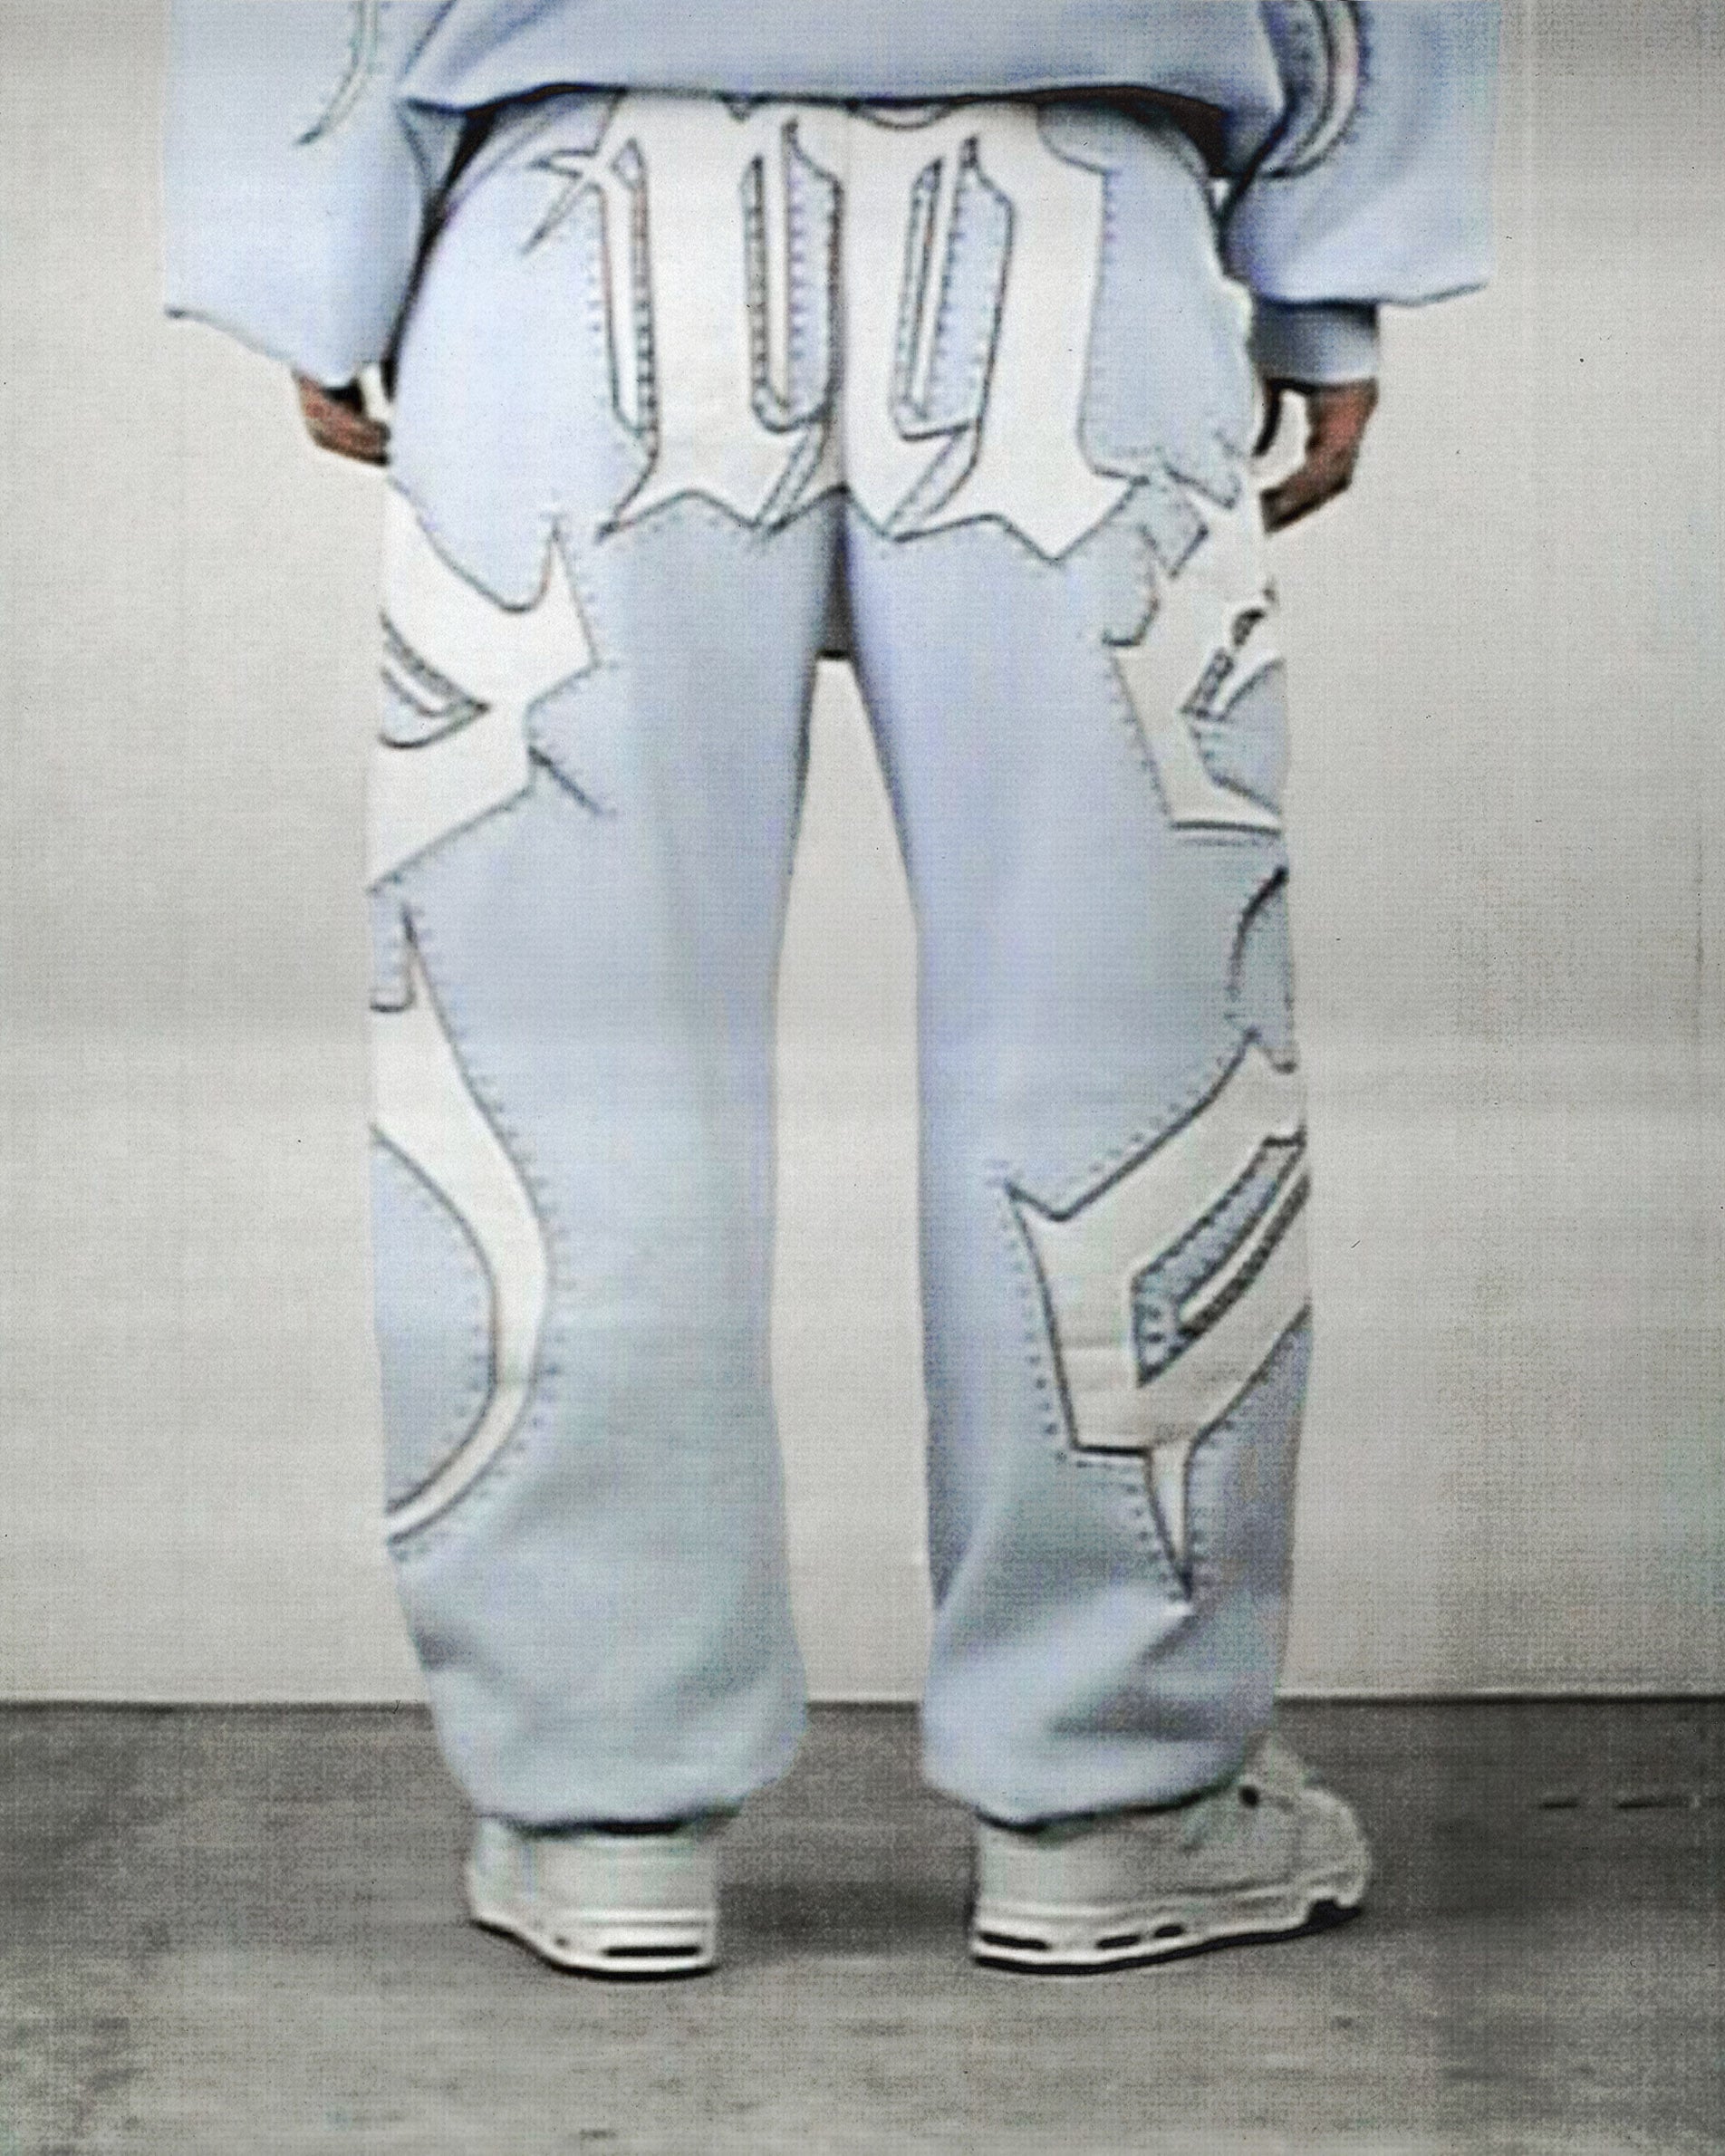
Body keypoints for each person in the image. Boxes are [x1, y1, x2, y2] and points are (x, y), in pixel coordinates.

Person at [164, 0, 1498, 1978]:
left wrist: (316, 233)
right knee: (1129, 1025)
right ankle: (1113, 1798)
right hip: (1079, 204)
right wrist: (1327, 261)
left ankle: (597, 1805)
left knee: (558, 1046)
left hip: (578, 208)